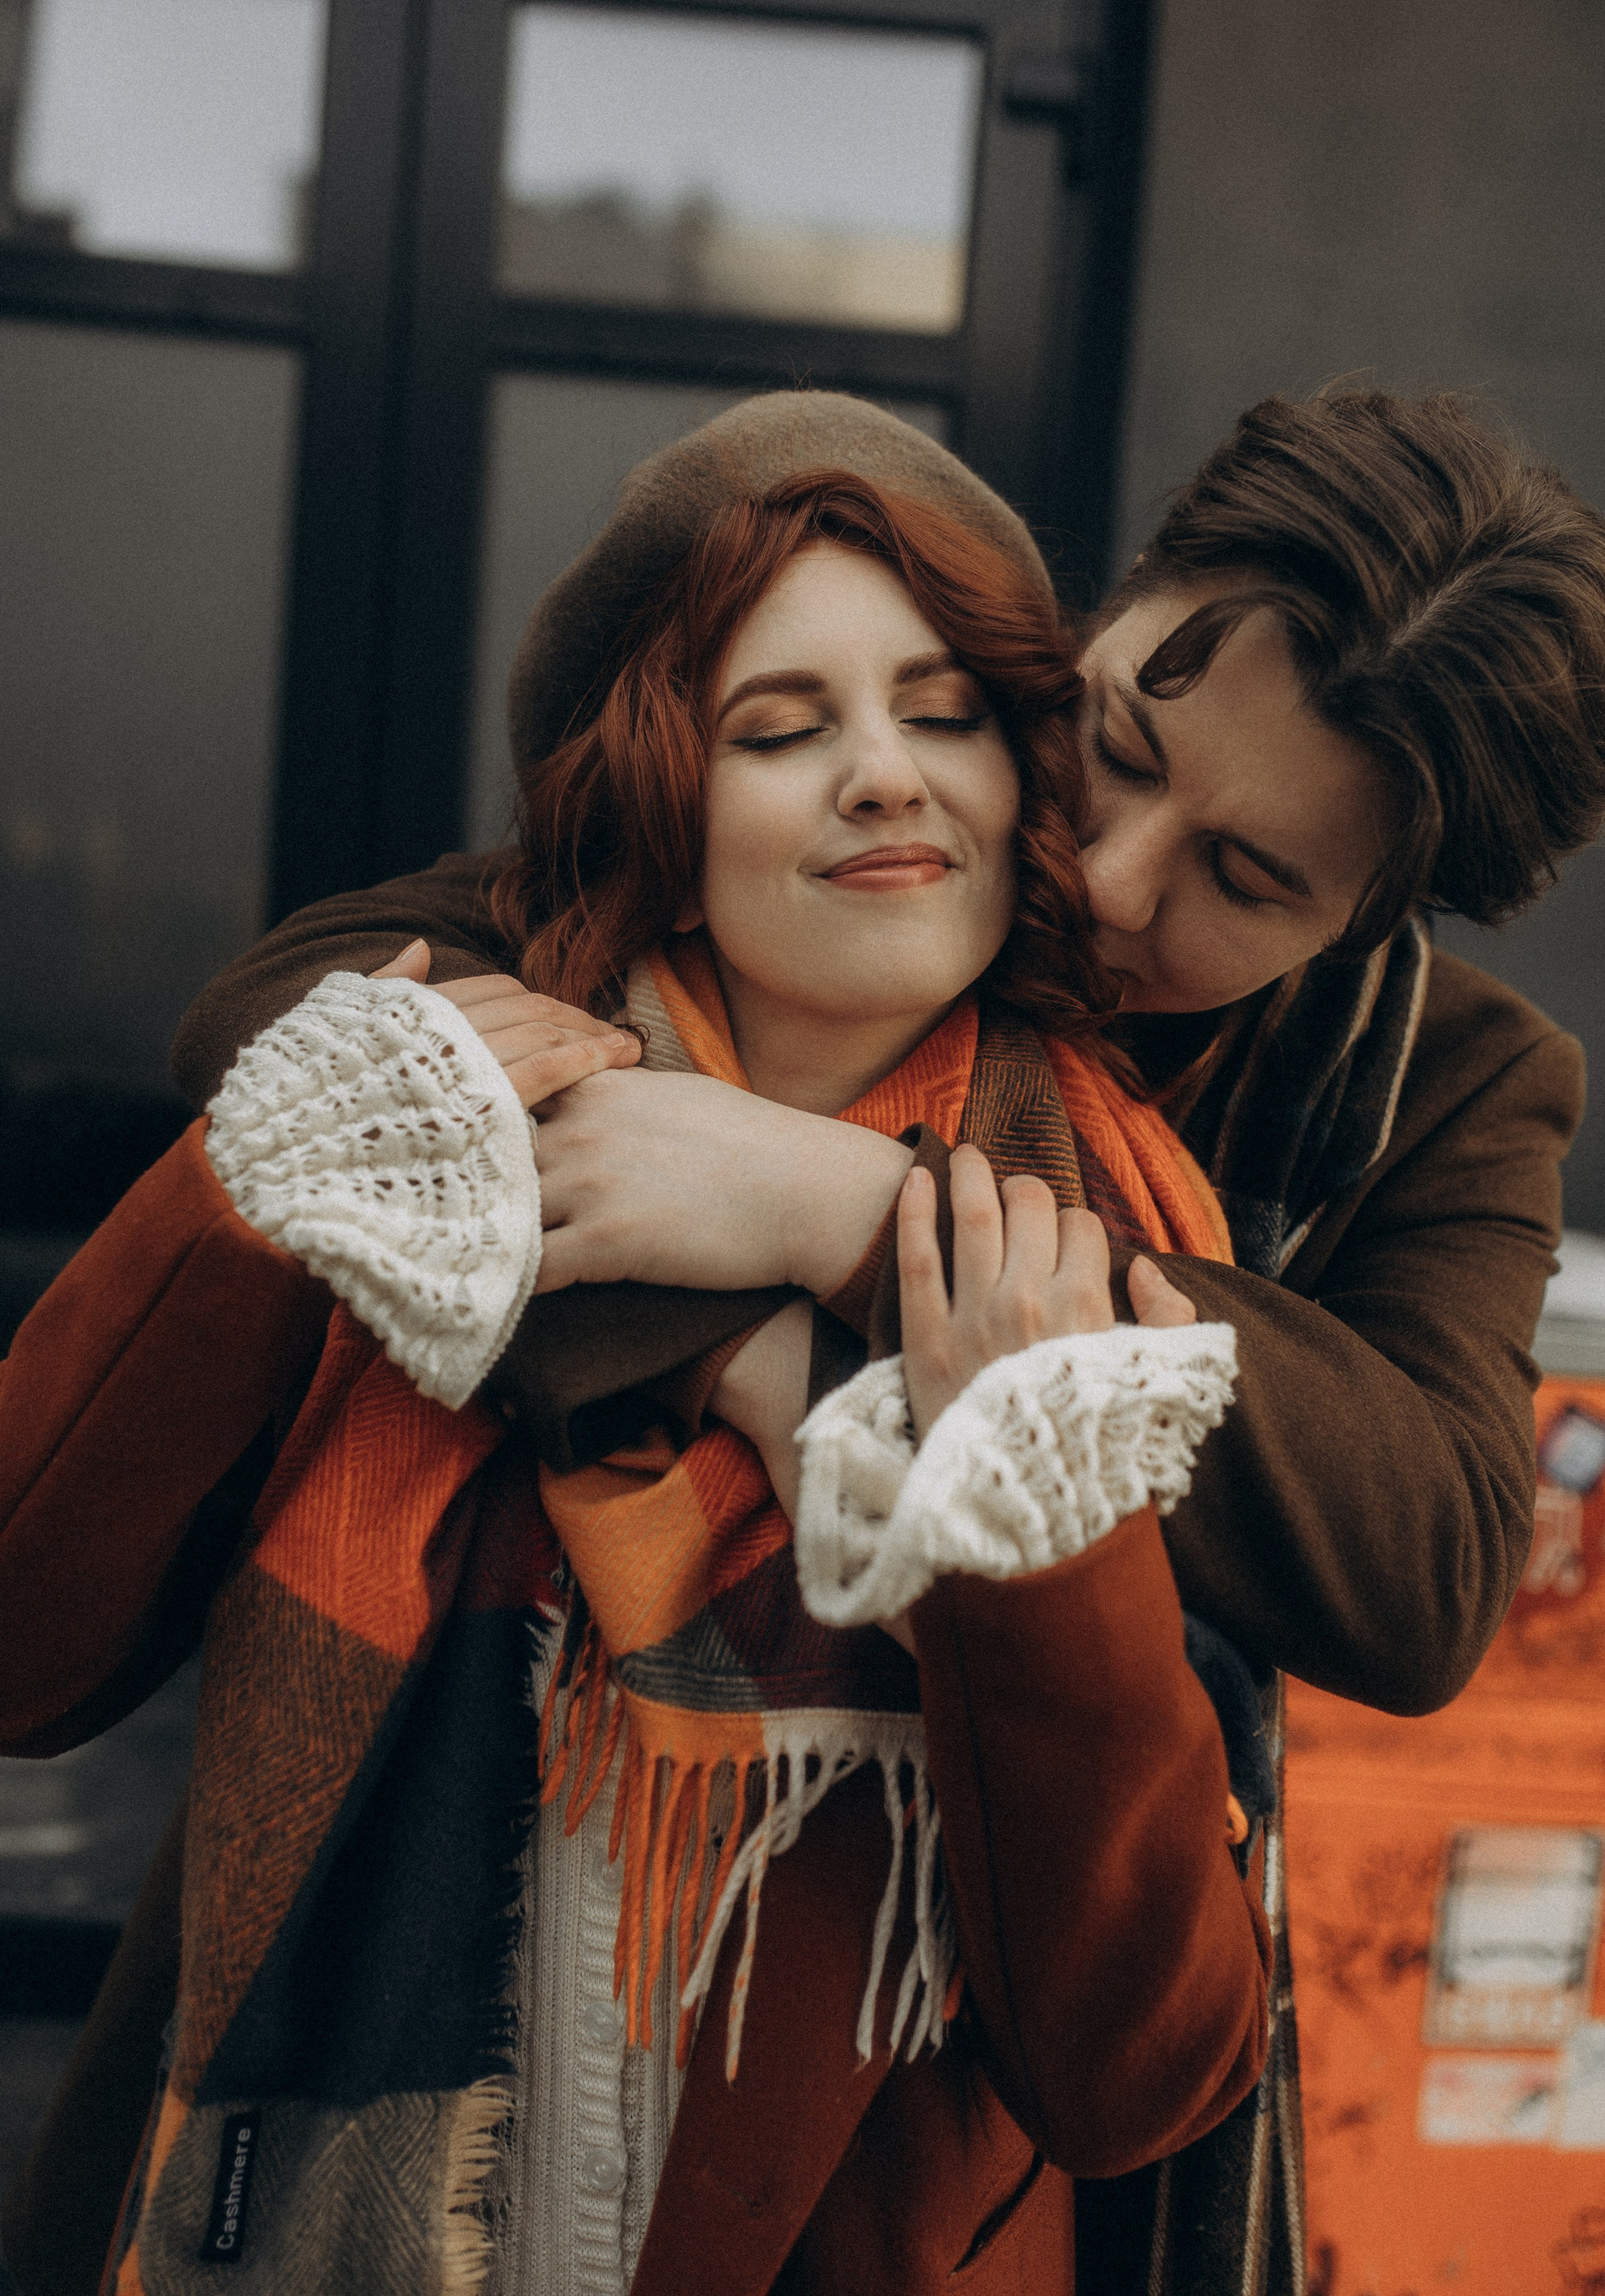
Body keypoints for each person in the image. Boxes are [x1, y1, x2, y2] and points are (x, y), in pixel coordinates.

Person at [153, 381, 1605, 2288]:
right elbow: (296, 1025)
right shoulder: (891, 798)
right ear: (1107, 608)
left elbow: (1422, 1563)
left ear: (1375, 915)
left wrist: (834, 1209)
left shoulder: (1447, 1083)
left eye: (1250, 880)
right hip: (442, 1901)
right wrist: (764, 1368)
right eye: (1117, 742)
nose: (1115, 874)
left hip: (986, 2049)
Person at [0, 466, 1273, 2296]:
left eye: (945, 715)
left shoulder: (1102, 1264)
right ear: (668, 806)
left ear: (1029, 792)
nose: (885, 774)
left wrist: (1018, 1502)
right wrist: (245, 1198)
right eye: (782, 729)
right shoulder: (411, 1135)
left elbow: (1140, 2074)